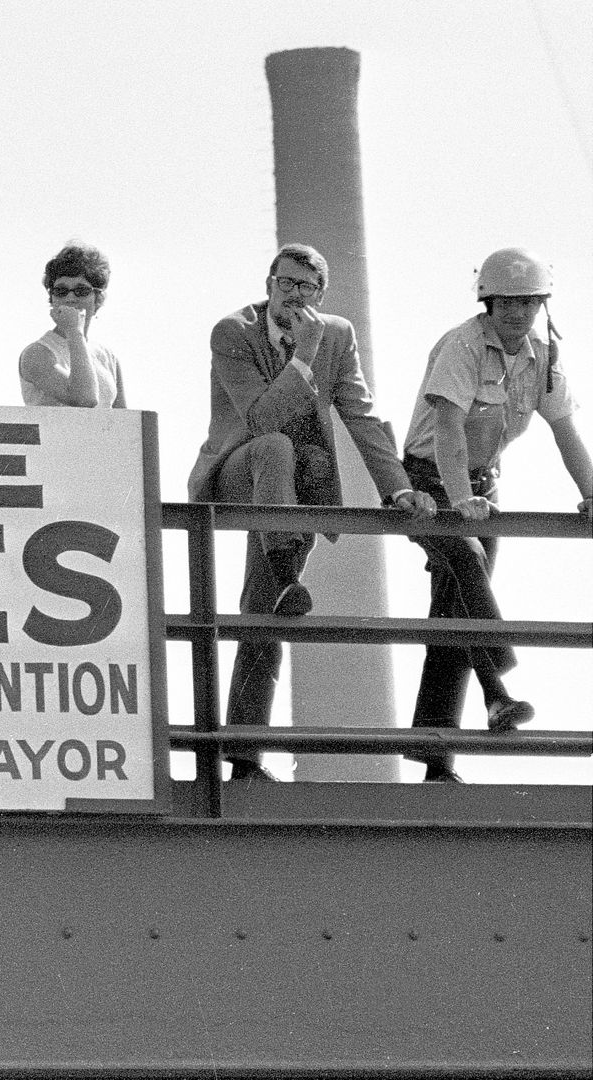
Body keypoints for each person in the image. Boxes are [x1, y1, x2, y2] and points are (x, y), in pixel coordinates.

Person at [187, 243, 436, 783]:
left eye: (304, 287)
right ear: (269, 281)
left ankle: (244, 757)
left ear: (320, 293)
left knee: (265, 611)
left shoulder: (338, 335)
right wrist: (302, 356)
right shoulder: (233, 331)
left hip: (297, 493)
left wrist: (397, 491)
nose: (292, 294)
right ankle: (282, 572)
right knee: (275, 445)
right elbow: (259, 419)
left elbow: (361, 417)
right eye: (284, 283)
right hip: (240, 472)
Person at [398, 248, 592, 784]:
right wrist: (459, 503)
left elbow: (566, 432)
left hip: (481, 490)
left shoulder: (543, 358)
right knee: (465, 556)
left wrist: (592, 493)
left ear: (541, 306)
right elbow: (449, 430)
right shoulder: (462, 345)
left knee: (454, 616)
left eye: (530, 302)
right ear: (488, 300)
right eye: (508, 301)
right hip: (428, 481)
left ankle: (436, 759)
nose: (518, 312)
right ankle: (498, 689)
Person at [19, 242, 126, 408]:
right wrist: (74, 331)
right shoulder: (38, 354)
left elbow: (124, 420)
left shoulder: (106, 356)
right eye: (61, 291)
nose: (70, 298)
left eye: (81, 290)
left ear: (98, 299)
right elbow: (84, 399)